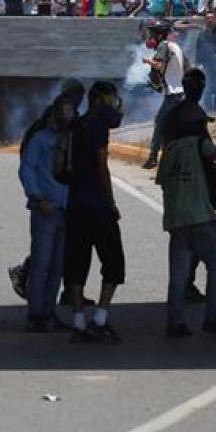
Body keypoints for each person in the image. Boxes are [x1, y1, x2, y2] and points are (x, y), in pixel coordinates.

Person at [156, 71, 216, 339]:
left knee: (177, 276)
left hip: (176, 221)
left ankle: (175, 322)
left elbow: (163, 182)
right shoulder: (201, 145)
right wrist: (214, 191)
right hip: (202, 217)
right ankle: (212, 318)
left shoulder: (169, 153)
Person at [64, 82, 127, 345]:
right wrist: (110, 200)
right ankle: (100, 319)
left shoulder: (77, 124)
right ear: (100, 101)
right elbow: (101, 164)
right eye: (112, 100)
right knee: (113, 263)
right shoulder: (98, 126)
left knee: (77, 264)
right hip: (97, 205)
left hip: (75, 205)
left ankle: (79, 323)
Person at [18, 94, 74, 332]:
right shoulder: (41, 140)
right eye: (66, 111)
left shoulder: (72, 141)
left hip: (67, 210)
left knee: (58, 267)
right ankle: (35, 313)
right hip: (46, 209)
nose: (69, 116)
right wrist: (38, 197)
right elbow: (27, 169)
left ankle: (49, 311)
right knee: (41, 264)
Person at [142, 21, 185, 169]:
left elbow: (159, 65)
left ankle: (153, 157)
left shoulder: (163, 45)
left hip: (172, 94)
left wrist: (148, 61)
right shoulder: (175, 46)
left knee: (160, 124)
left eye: (153, 33)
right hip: (180, 92)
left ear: (159, 34)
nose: (151, 36)